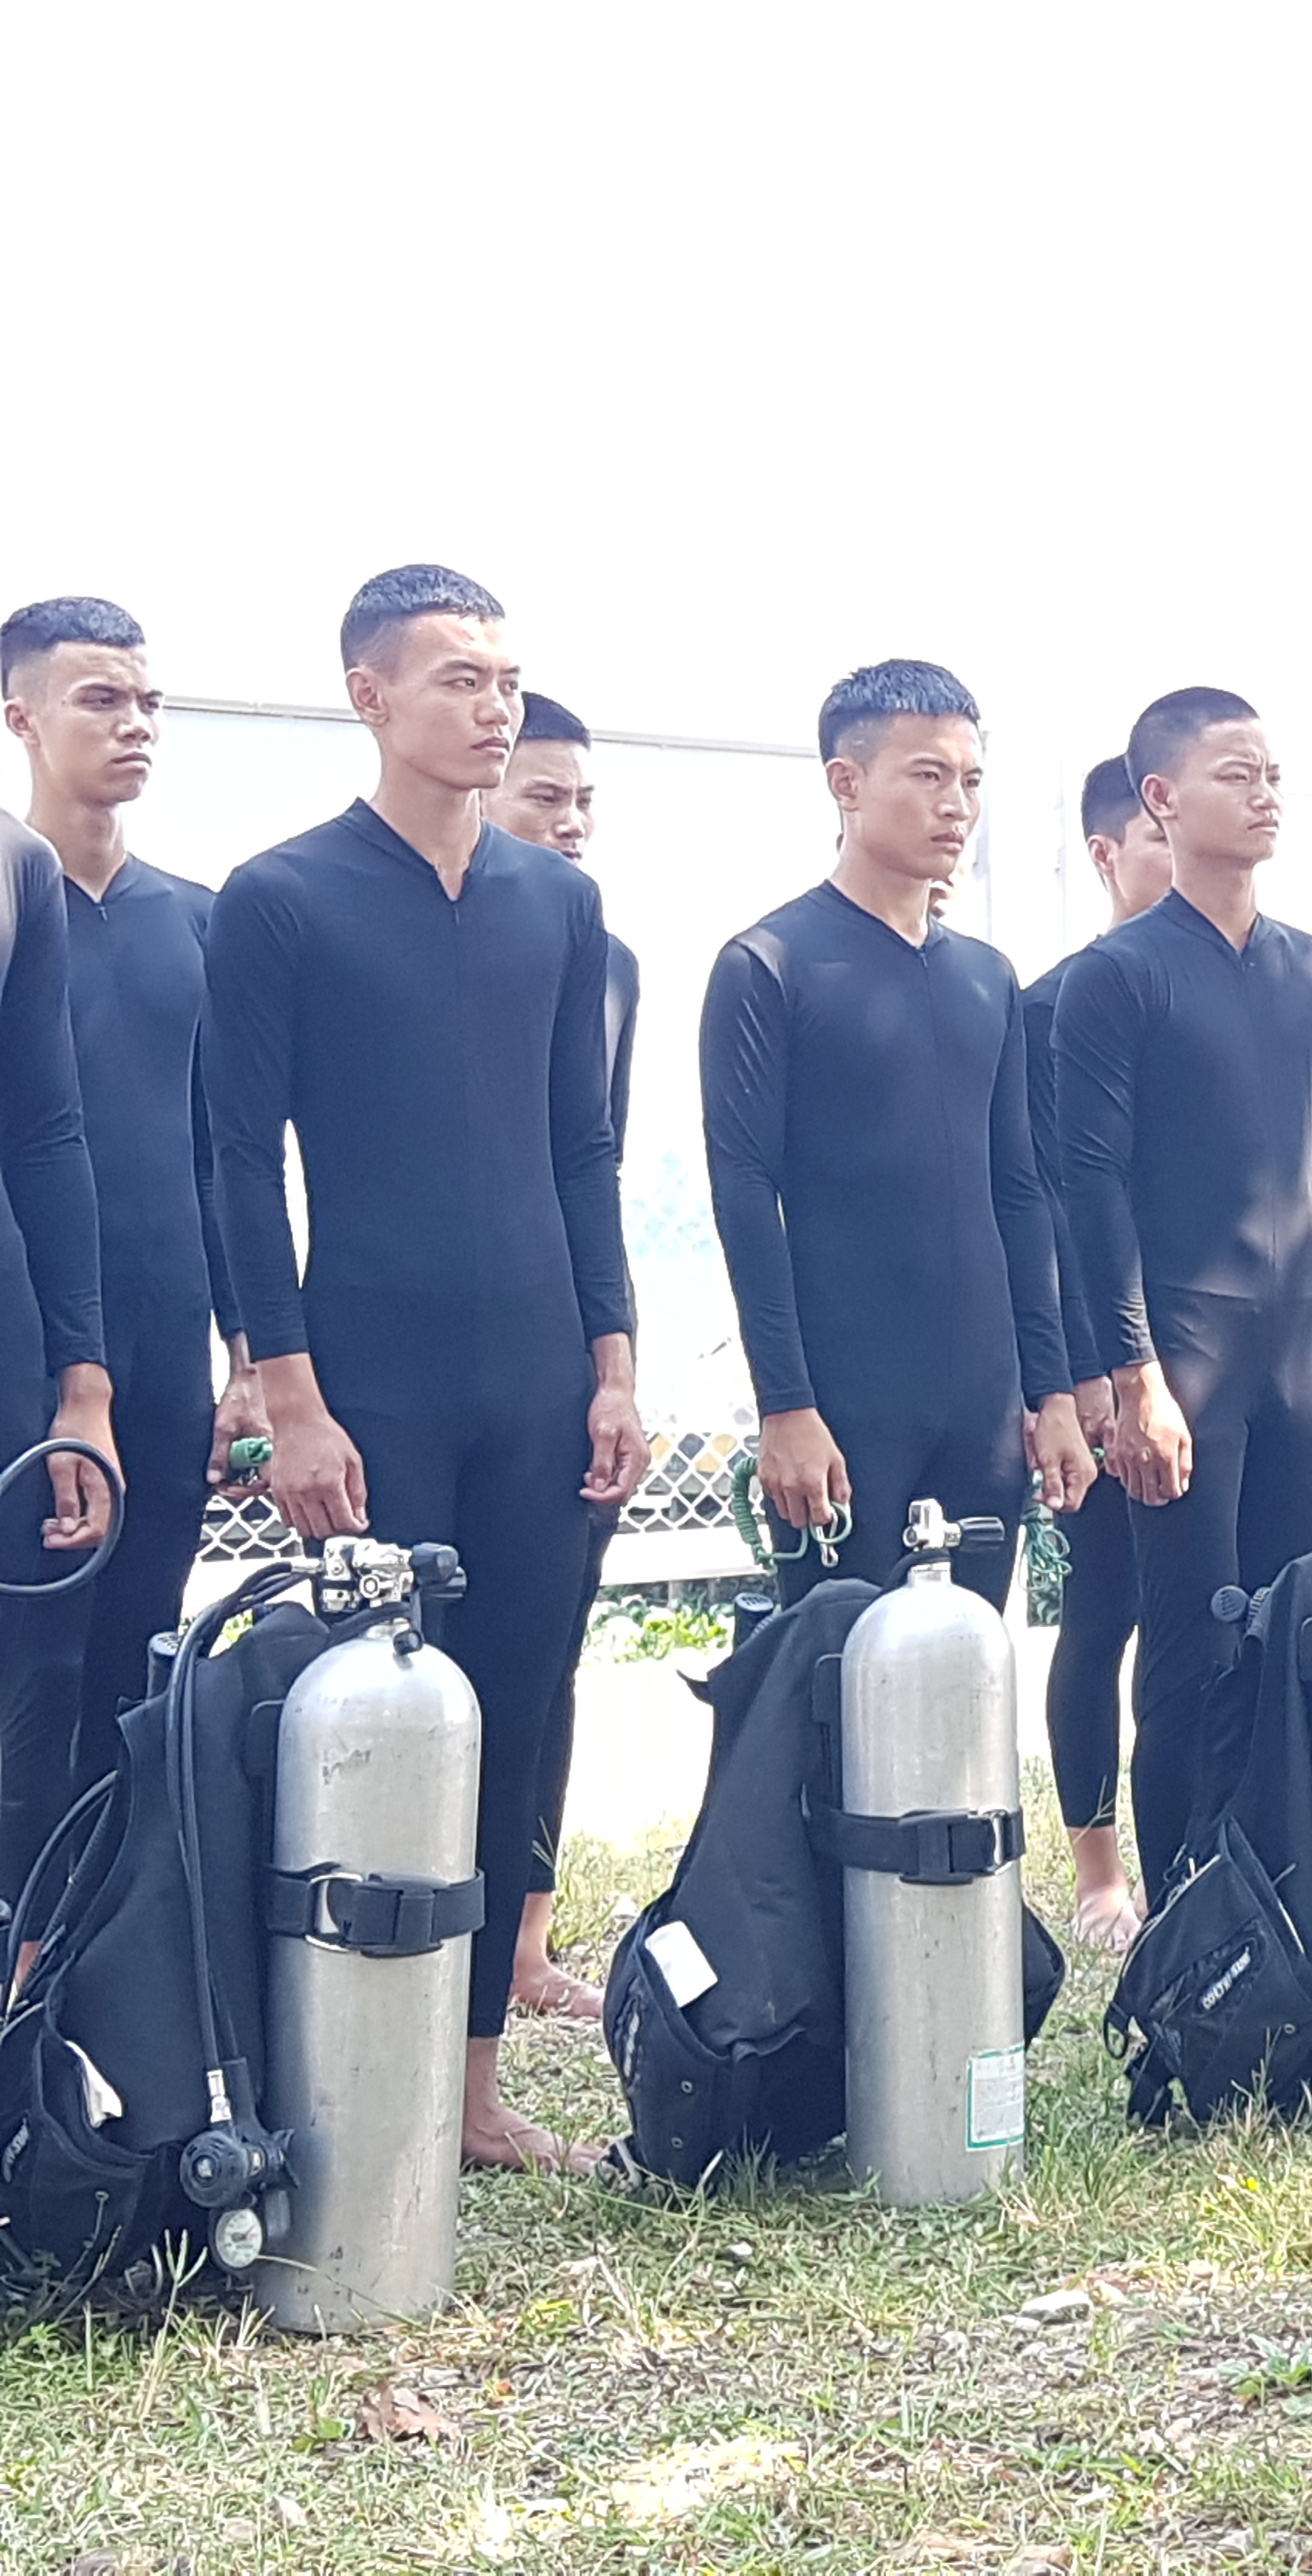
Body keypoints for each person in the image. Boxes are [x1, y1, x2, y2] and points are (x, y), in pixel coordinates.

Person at [205, 564, 643, 2171]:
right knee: (370, 1719)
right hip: (370, 1375)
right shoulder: (281, 897)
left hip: (537, 1372)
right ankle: (334, 2076)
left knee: (511, 1710)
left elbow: (582, 1149)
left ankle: (466, 2092)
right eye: (459, 676)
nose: (494, 705)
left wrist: (613, 1363)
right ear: (369, 694)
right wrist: (291, 1393)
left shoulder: (558, 904)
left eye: (507, 678)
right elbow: (237, 1162)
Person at [1057, 687, 1312, 1892]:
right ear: (1161, 798)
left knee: (1294, 1639)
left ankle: (1282, 1902)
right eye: (1234, 774)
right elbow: (1091, 1185)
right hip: (1186, 1357)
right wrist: (1134, 1374)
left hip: (1304, 1351)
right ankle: (1183, 1918)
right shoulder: (1117, 977)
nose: (1265, 795)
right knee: (1190, 1652)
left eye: (1272, 775)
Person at [702, 662, 1090, 1623]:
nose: (957, 804)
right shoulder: (770, 964)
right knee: (843, 1674)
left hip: (982, 1404)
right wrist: (786, 1405)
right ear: (847, 782)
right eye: (927, 775)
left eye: (970, 779)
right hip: (845, 1401)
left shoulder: (988, 978)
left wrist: (1050, 1392)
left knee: (967, 1668)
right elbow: (745, 1194)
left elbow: (1019, 1191)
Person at [0, 600, 254, 1961]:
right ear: (22, 718)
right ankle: (24, 1949)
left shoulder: (198, 922)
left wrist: (248, 1359)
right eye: (101, 699)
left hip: (165, 1345)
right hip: (36, 1340)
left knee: (143, 1648)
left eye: (149, 702)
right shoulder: (14, 899)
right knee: (33, 1669)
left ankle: (104, 1955)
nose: (136, 725)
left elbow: (222, 1158)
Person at [479, 689, 630, 2019]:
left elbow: (594, 1162)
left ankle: (527, 1939)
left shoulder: (602, 952)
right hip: (434, 1343)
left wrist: (614, 1363)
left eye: (586, 801)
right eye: (546, 796)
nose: (572, 822)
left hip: (570, 1339)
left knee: (553, 1650)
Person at [1032, 751, 1173, 1948]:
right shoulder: (1052, 1005)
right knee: (1105, 1607)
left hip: (1216, 1361)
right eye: (1158, 838)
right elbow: (1047, 1205)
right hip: (1101, 1365)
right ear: (1108, 853)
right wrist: (1081, 1380)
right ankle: (1096, 1871)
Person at [0, 770, 112, 1987]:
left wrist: (84, 1387)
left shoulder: (17, 863)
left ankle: (22, 2001)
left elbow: (44, 1131)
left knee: (30, 1675)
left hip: (11, 1331)